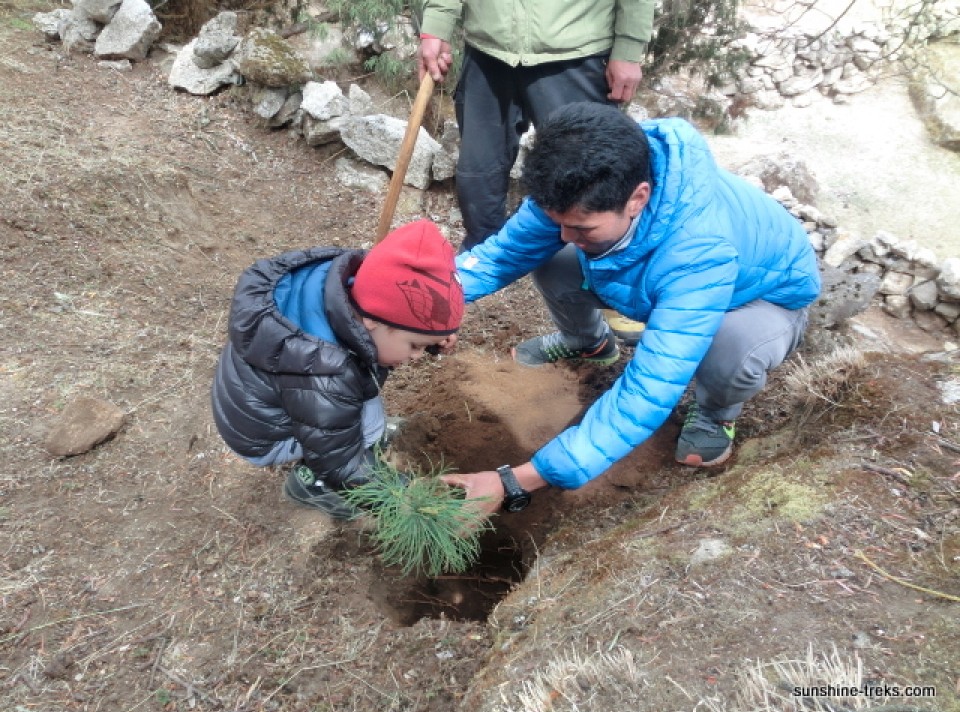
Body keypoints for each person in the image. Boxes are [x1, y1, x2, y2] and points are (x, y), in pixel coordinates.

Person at [444, 102, 821, 518]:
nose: (565, 234)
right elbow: (504, 254)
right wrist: (428, 304)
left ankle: (715, 413)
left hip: (757, 299)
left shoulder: (698, 252)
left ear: (637, 198)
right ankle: (587, 343)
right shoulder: (581, 179)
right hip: (655, 276)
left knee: (731, 349)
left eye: (582, 227)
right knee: (551, 258)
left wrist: (513, 481)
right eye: (558, 222)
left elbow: (649, 388)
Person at [416, 0, 654, 347]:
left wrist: (629, 47)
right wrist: (437, 23)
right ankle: (469, 280)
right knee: (476, 179)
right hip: (487, 50)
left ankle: (618, 285)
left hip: (574, 49)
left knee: (593, 185)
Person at [211, 219, 464, 520]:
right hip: (264, 436)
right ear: (372, 320)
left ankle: (342, 440)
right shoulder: (324, 371)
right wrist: (403, 498)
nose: (418, 356)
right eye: (415, 346)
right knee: (366, 425)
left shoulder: (346, 291)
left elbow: (396, 320)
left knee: (356, 406)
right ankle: (312, 485)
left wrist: (431, 338)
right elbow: (340, 462)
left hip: (264, 403)